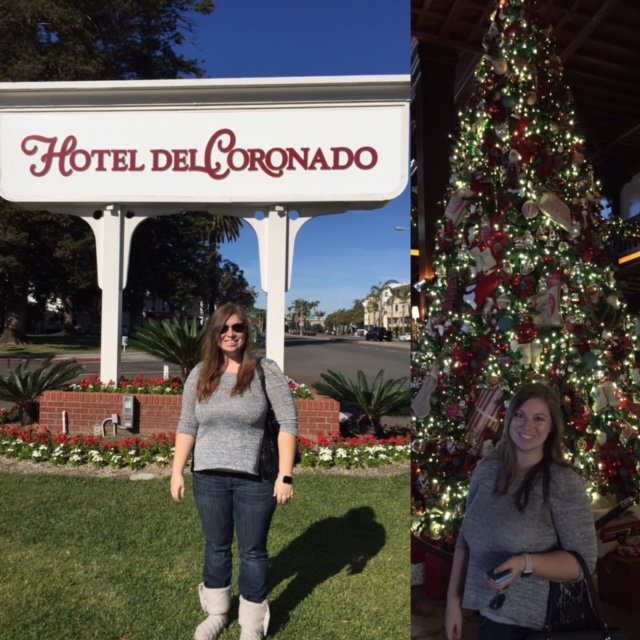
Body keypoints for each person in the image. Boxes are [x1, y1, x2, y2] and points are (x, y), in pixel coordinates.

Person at [170, 303, 298, 640]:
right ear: (214, 333)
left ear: (246, 332)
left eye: (237, 328)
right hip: (209, 476)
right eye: (223, 329)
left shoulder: (264, 371)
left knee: (253, 550)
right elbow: (187, 424)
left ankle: (252, 625)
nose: (231, 334)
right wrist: (177, 471)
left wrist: (285, 475)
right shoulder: (201, 373)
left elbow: (288, 422)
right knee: (216, 546)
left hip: (255, 478)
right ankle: (217, 613)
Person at [445, 382, 597, 640]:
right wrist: (452, 603)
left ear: (551, 427)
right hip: (487, 612)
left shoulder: (562, 482)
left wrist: (525, 564)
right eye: (520, 415)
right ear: (509, 419)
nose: (527, 426)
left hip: (533, 625)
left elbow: (583, 563)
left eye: (539, 418)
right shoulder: (488, 468)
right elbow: (465, 539)